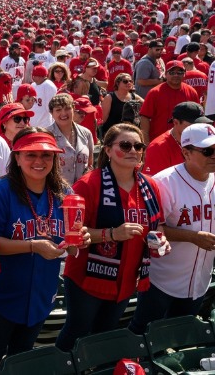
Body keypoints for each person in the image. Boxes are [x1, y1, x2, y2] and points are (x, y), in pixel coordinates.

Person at [0, 129, 89, 371]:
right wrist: (32, 246)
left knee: (22, 356)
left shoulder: (64, 193)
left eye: (46, 155)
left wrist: (79, 240)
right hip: (2, 294)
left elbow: (71, 239)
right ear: (17, 157)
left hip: (40, 293)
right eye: (30, 155)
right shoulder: (0, 192)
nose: (39, 161)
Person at [55, 123, 165, 351]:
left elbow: (157, 227)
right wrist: (112, 234)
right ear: (107, 150)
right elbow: (71, 235)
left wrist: (160, 241)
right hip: (87, 279)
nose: (133, 150)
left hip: (126, 281)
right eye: (125, 145)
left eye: (138, 146)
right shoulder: (88, 185)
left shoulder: (150, 186)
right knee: (77, 333)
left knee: (104, 335)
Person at [129, 123, 215, 334]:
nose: (214, 155)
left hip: (199, 279)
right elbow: (148, 229)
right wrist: (192, 237)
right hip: (162, 279)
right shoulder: (165, 182)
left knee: (178, 336)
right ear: (186, 152)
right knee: (144, 333)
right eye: (208, 151)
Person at [143, 102, 212, 175]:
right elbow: (152, 183)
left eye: (202, 123)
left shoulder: (206, 141)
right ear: (176, 122)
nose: (199, 128)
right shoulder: (158, 148)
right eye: (194, 125)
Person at [140, 60, 199, 142]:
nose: (176, 75)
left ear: (185, 73)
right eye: (172, 72)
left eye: (180, 72)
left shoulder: (191, 91)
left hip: (185, 142)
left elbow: (197, 118)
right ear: (165, 74)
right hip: (159, 141)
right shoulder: (155, 92)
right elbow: (144, 117)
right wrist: (145, 141)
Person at [47, 94, 94, 185]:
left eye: (67, 108)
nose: (63, 113)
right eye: (58, 110)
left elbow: (89, 165)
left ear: (73, 109)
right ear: (51, 113)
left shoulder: (86, 133)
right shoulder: (46, 135)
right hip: (55, 191)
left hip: (81, 191)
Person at [100, 73, 143, 138]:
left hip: (130, 133)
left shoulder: (135, 97)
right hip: (113, 134)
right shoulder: (109, 97)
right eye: (125, 81)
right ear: (117, 83)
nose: (129, 83)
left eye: (131, 81)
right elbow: (103, 119)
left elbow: (147, 105)